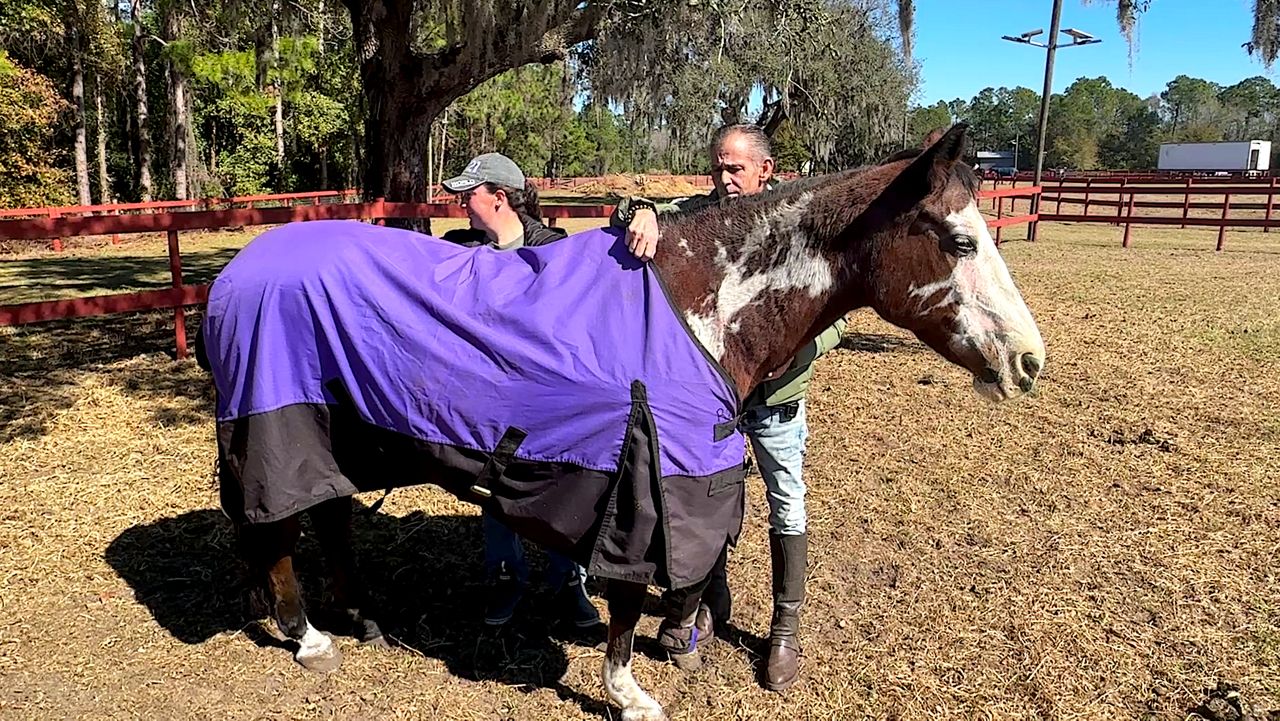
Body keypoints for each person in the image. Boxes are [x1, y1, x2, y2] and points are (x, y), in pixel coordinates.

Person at [610, 124, 847, 692]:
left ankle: (784, 630)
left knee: (786, 503)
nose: (724, 178)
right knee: (710, 496)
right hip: (713, 397)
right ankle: (707, 598)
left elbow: (837, 316)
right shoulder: (701, 216)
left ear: (765, 170)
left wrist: (795, 350)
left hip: (775, 400)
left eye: (735, 168)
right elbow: (633, 211)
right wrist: (641, 212)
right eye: (718, 167)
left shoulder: (801, 225)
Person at [440, 152, 600, 629]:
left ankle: (568, 580)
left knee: (560, 483)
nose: (462, 204)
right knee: (493, 485)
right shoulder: (458, 248)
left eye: (469, 195)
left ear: (499, 198)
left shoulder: (554, 250)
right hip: (488, 394)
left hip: (547, 393)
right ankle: (505, 576)